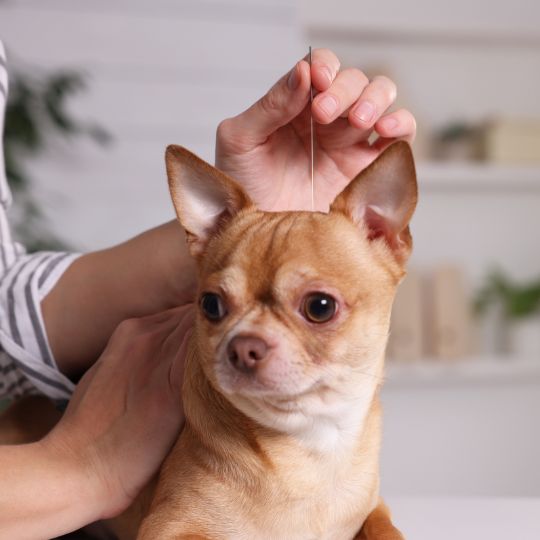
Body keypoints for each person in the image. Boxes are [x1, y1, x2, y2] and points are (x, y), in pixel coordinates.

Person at [0, 43, 416, 537]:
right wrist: (80, 467)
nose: (249, 342)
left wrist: (252, 222)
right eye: (217, 307)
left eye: (318, 307)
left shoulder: (354, 444)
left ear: (386, 236)